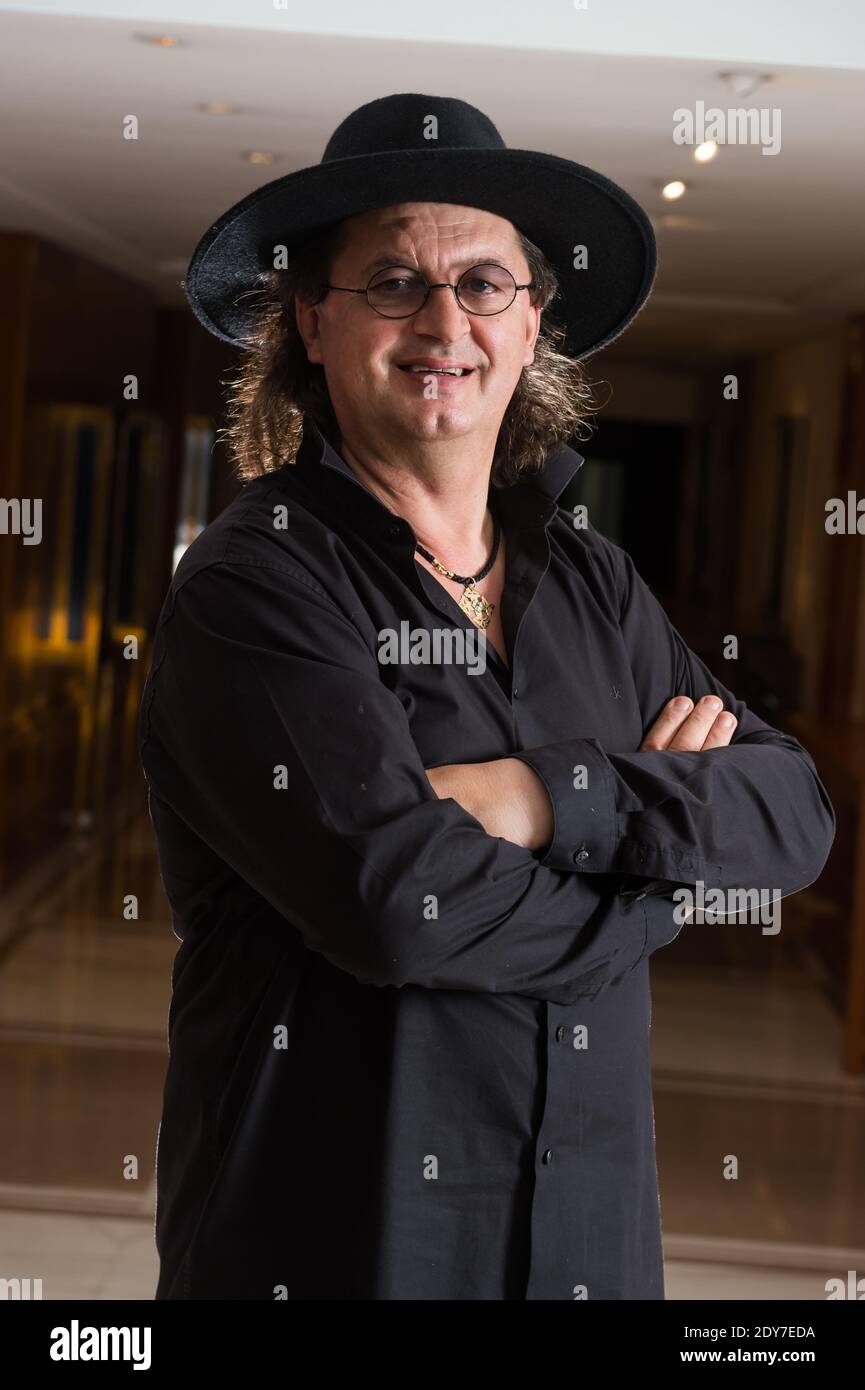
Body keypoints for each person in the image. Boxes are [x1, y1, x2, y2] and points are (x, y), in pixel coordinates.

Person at [138, 93, 835, 1300]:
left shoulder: (592, 579)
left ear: (529, 326)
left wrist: (538, 793)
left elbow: (792, 813)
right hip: (340, 1247)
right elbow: (396, 900)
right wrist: (652, 882)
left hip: (586, 1246)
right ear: (310, 320)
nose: (443, 320)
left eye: (484, 284)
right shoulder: (255, 584)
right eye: (394, 282)